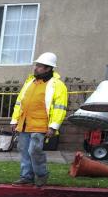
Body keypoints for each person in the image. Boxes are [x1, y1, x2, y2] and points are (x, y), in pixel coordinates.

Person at [10, 52, 68, 187]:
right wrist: (14, 120)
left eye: (39, 66)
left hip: (41, 125)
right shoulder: (30, 82)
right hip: (24, 123)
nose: (35, 68)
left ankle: (41, 175)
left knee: (34, 151)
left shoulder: (57, 85)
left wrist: (53, 126)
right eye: (36, 65)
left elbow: (60, 108)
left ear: (48, 68)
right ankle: (26, 177)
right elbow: (20, 102)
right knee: (24, 150)